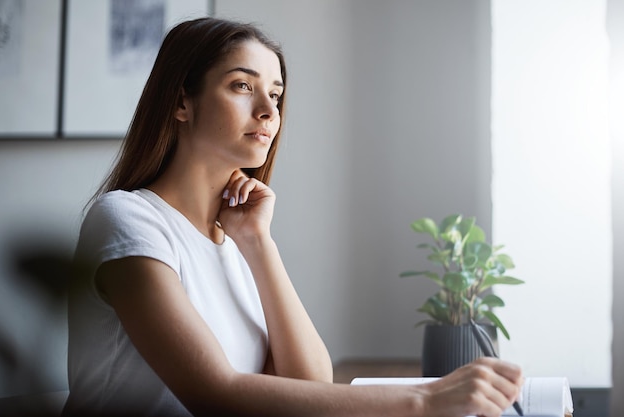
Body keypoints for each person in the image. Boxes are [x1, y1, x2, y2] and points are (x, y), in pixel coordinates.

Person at [62, 16, 523, 417]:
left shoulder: (238, 241)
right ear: (182, 102)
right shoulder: (127, 220)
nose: (268, 111)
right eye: (242, 86)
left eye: (276, 95)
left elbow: (311, 387)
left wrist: (259, 244)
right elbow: (216, 395)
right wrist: (424, 401)